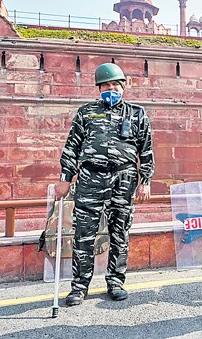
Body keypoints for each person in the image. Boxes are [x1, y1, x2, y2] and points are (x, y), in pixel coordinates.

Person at [54, 62, 154, 306]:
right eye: (107, 85)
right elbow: (72, 148)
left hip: (124, 179)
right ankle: (79, 287)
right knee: (83, 235)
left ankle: (116, 282)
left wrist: (146, 181)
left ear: (123, 87)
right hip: (90, 179)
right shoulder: (86, 113)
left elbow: (146, 150)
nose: (112, 88)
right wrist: (65, 179)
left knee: (120, 234)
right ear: (99, 88)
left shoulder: (137, 113)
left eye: (116, 84)